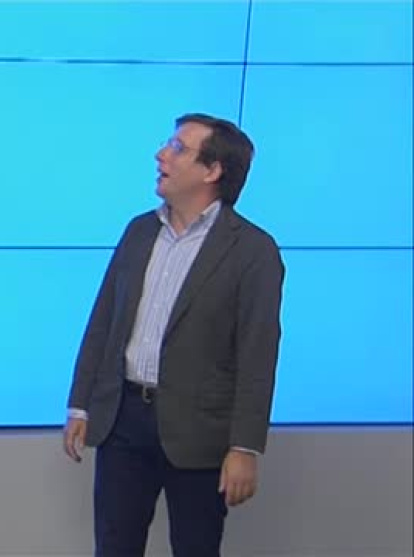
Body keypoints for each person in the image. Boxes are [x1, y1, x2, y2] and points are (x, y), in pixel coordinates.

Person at [62, 113, 285, 556]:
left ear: (212, 170)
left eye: (179, 148)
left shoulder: (253, 251)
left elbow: (257, 356)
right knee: (114, 546)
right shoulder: (139, 231)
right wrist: (81, 403)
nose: (161, 155)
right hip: (123, 420)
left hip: (200, 433)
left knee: (195, 547)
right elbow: (104, 321)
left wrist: (244, 447)